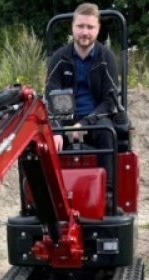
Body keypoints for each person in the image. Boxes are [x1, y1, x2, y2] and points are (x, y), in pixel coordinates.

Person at [46, 3, 120, 188]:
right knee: (41, 142)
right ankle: (47, 198)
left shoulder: (106, 58)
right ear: (72, 27)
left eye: (90, 27)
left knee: (107, 132)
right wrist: (57, 130)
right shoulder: (59, 58)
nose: (85, 32)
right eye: (80, 26)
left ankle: (108, 195)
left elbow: (110, 101)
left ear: (98, 29)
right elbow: (51, 96)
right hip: (66, 118)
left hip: (95, 119)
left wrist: (84, 124)